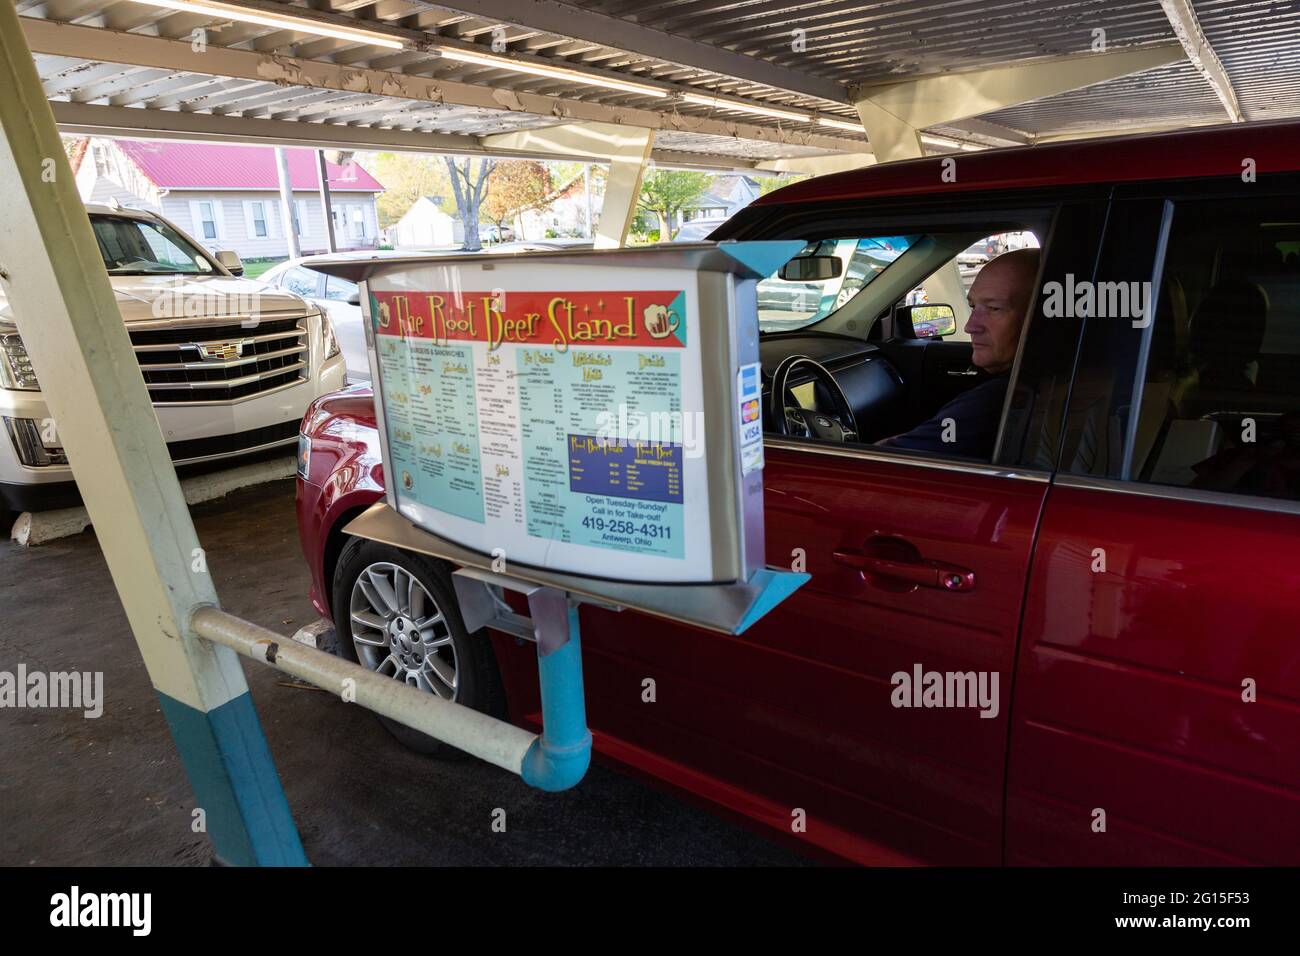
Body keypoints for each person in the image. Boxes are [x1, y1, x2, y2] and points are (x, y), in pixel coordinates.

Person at [880, 248, 1040, 459]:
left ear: (1039, 318)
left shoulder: (998, 402)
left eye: (994, 309)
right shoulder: (1046, 387)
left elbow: (884, 460)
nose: (970, 326)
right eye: (973, 306)